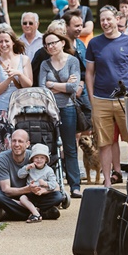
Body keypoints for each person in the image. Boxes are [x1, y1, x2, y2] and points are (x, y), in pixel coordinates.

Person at [85, 6, 128, 187]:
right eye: (102, 20)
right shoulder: (94, 44)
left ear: (117, 18)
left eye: (108, 19)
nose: (105, 23)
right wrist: (92, 98)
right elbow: (89, 73)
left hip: (126, 99)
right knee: (104, 143)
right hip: (101, 99)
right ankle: (108, 183)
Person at [39, 31, 82, 197]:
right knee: (49, 148)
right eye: (47, 44)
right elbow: (42, 88)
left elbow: (73, 88)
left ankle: (75, 185)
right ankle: (53, 184)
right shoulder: (45, 64)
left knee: (70, 147)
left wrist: (53, 85)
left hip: (68, 108)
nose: (51, 46)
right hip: (49, 110)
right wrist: (63, 85)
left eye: (54, 42)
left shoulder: (73, 61)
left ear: (62, 42)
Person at [0, 128, 63, 221]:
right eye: (14, 141)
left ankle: (14, 213)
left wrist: (42, 190)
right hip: (11, 197)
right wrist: (28, 189)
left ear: (27, 144)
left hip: (30, 198)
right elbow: (6, 190)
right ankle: (42, 213)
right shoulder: (1, 159)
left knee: (58, 196)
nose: (16, 144)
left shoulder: (35, 157)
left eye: (20, 141)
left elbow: (56, 186)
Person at [0, 25, 32, 152]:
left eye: (6, 41)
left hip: (21, 110)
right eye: (0, 41)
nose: (3, 44)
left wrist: (18, 74)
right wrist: (8, 79)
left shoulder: (24, 60)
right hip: (1, 111)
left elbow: (28, 84)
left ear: (13, 41)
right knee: (4, 149)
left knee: (22, 148)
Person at [16, 143, 59, 223]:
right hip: (31, 193)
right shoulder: (30, 167)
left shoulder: (49, 170)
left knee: (58, 196)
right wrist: (26, 168)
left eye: (42, 157)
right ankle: (36, 213)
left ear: (46, 159)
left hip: (43, 194)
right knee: (22, 198)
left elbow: (53, 184)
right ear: (32, 159)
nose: (39, 160)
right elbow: (20, 175)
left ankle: (33, 210)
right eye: (36, 157)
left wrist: (45, 184)